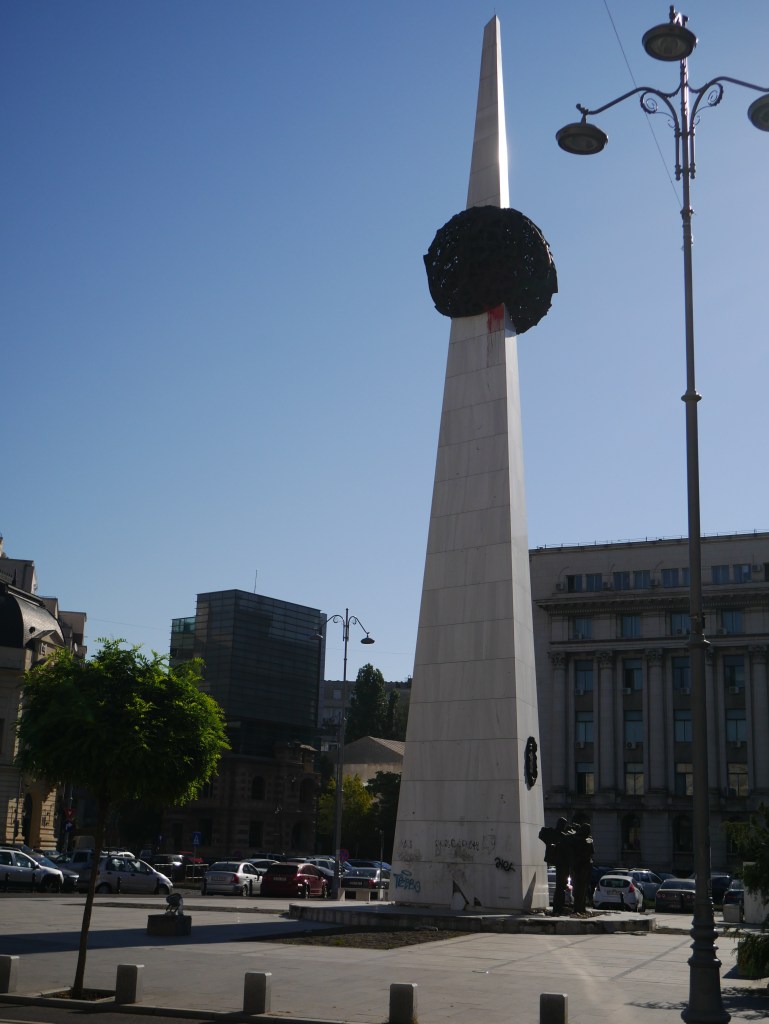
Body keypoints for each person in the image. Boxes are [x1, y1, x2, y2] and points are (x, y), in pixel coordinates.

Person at [570, 821, 594, 913]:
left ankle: (579, 908)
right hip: (584, 866)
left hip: (576, 865)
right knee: (582, 887)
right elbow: (592, 851)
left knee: (577, 887)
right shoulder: (589, 839)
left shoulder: (574, 838)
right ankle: (580, 908)